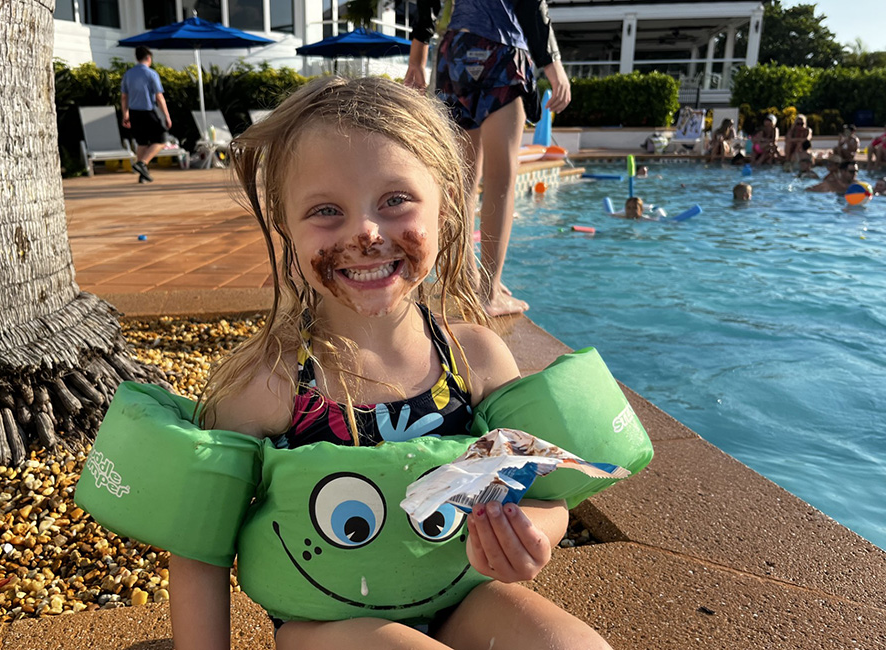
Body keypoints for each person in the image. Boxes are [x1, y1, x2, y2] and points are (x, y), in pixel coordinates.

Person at [168, 76, 611, 650]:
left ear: (447, 206)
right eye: (327, 210)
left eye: (395, 200)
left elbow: (540, 493)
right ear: (286, 226)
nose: (366, 233)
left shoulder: (474, 358)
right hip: (326, 623)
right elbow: (200, 546)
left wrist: (528, 536)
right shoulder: (268, 383)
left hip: (460, 597)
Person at [405, 0, 572, 317]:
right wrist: (553, 64)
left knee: (463, 181)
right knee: (501, 180)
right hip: (502, 51)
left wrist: (417, 58)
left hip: (455, 51)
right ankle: (489, 293)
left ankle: (467, 281)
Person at [121, 46, 173, 184]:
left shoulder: (128, 74)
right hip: (148, 111)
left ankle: (143, 176)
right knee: (162, 139)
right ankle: (142, 163)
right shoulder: (151, 74)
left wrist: (125, 114)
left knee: (142, 142)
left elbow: (124, 97)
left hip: (133, 112)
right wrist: (167, 115)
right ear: (149, 58)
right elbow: (159, 97)